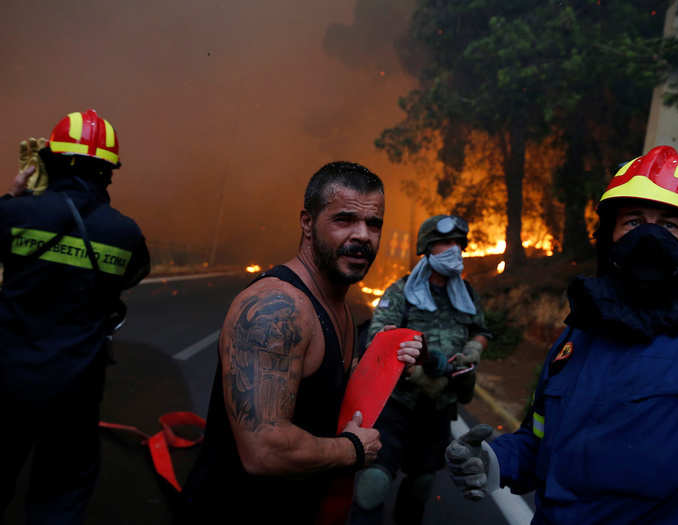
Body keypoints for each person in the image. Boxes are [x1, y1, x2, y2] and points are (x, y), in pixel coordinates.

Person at [446, 145, 678, 525]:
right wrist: (495, 459)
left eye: (668, 225)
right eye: (633, 222)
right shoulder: (575, 339)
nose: (648, 237)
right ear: (609, 238)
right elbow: (540, 440)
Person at [180, 161, 422, 524]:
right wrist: (353, 449)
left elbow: (318, 390)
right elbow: (264, 449)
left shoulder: (338, 305)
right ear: (307, 223)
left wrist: (384, 368)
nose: (363, 236)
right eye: (344, 220)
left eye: (374, 224)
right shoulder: (276, 308)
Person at [0, 109, 150, 524]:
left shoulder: (14, 214)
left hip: (8, 377)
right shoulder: (125, 232)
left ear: (50, 159)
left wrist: (16, 196)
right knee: (60, 493)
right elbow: (133, 274)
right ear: (108, 171)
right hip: (75, 387)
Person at [350, 214, 491, 525]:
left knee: (422, 485)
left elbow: (481, 329)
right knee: (373, 484)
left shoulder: (466, 294)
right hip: (397, 405)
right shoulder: (402, 291)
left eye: (458, 243)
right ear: (427, 248)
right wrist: (416, 373)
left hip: (438, 409)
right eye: (445, 243)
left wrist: (474, 349)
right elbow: (378, 341)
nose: (454, 249)